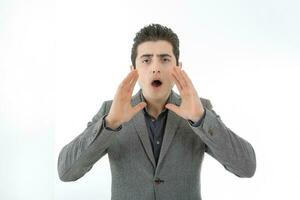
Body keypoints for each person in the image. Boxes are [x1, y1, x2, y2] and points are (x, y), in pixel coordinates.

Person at [57, 23, 256, 200]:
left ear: (178, 67)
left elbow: (246, 167)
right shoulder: (111, 112)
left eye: (164, 59)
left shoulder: (199, 110)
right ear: (132, 69)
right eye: (146, 60)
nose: (155, 68)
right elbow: (66, 172)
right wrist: (110, 124)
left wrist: (201, 118)